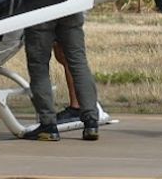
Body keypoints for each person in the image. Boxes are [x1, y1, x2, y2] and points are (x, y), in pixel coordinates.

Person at [19, 11, 102, 141]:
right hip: (70, 8)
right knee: (78, 62)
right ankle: (91, 122)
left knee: (39, 66)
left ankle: (48, 125)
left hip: (40, 9)